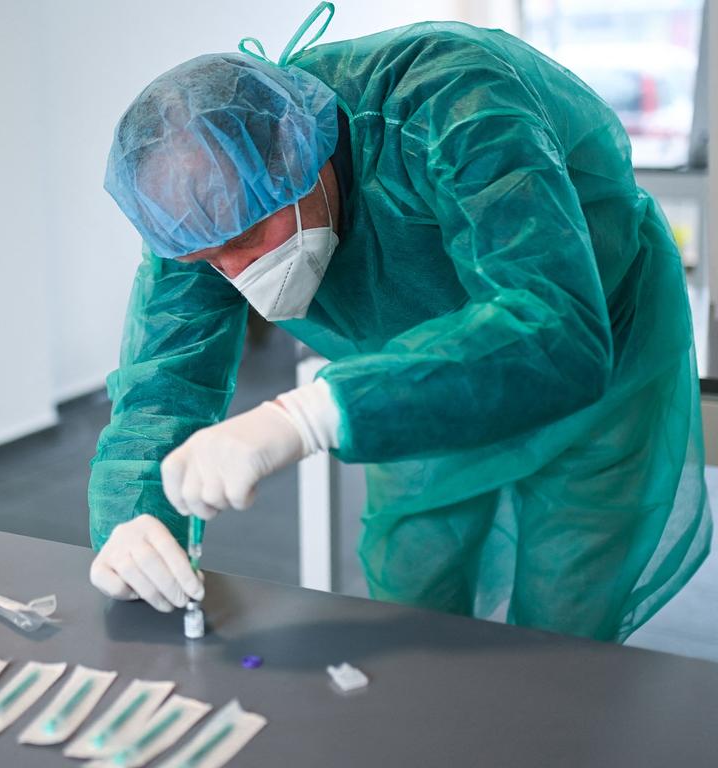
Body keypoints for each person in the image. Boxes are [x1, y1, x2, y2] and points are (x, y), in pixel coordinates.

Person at [87, 2, 712, 642]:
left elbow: (555, 326)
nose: (234, 271)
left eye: (249, 237)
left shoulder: (449, 100)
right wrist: (132, 521)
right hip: (410, 385)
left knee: (564, 614)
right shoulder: (202, 211)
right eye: (205, 258)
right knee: (412, 591)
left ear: (303, 153)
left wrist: (308, 417)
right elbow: (160, 389)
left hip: (600, 356)